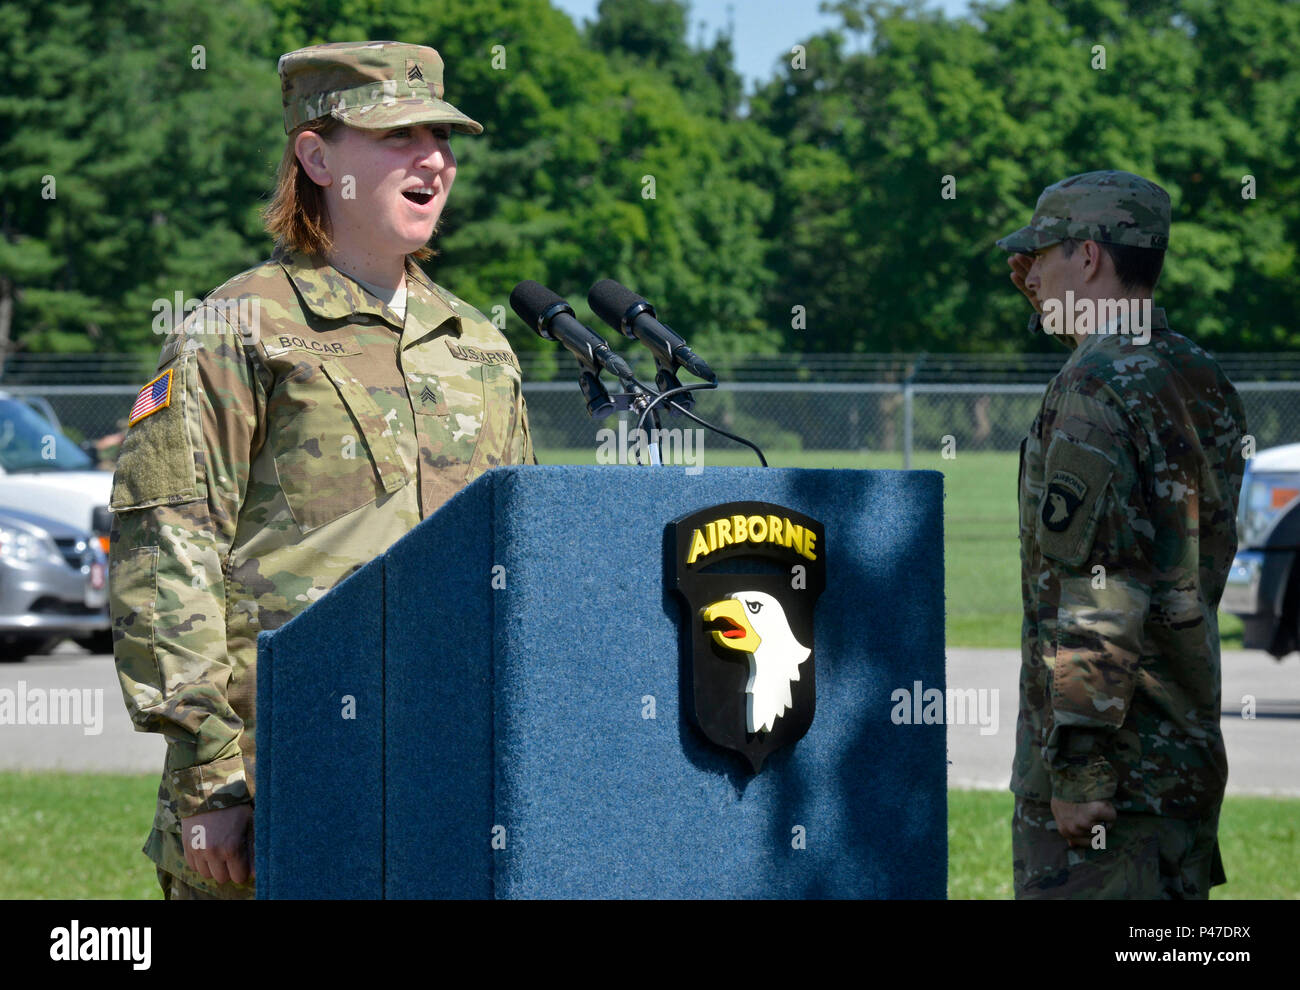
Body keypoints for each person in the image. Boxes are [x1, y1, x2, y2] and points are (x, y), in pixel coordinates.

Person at [108, 41, 535, 900]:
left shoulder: (480, 346)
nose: (433, 159)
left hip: (443, 788)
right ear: (315, 155)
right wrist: (210, 778)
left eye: (442, 138)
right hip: (276, 793)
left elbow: (521, 563)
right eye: (398, 135)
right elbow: (167, 559)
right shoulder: (240, 326)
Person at [997, 170, 1247, 898]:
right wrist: (1060, 314)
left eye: (1040, 253)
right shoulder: (1195, 373)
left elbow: (1102, 590)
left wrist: (1077, 770)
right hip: (1179, 760)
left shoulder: (1091, 389)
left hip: (1111, 784)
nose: (1028, 272)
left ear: (1087, 256)